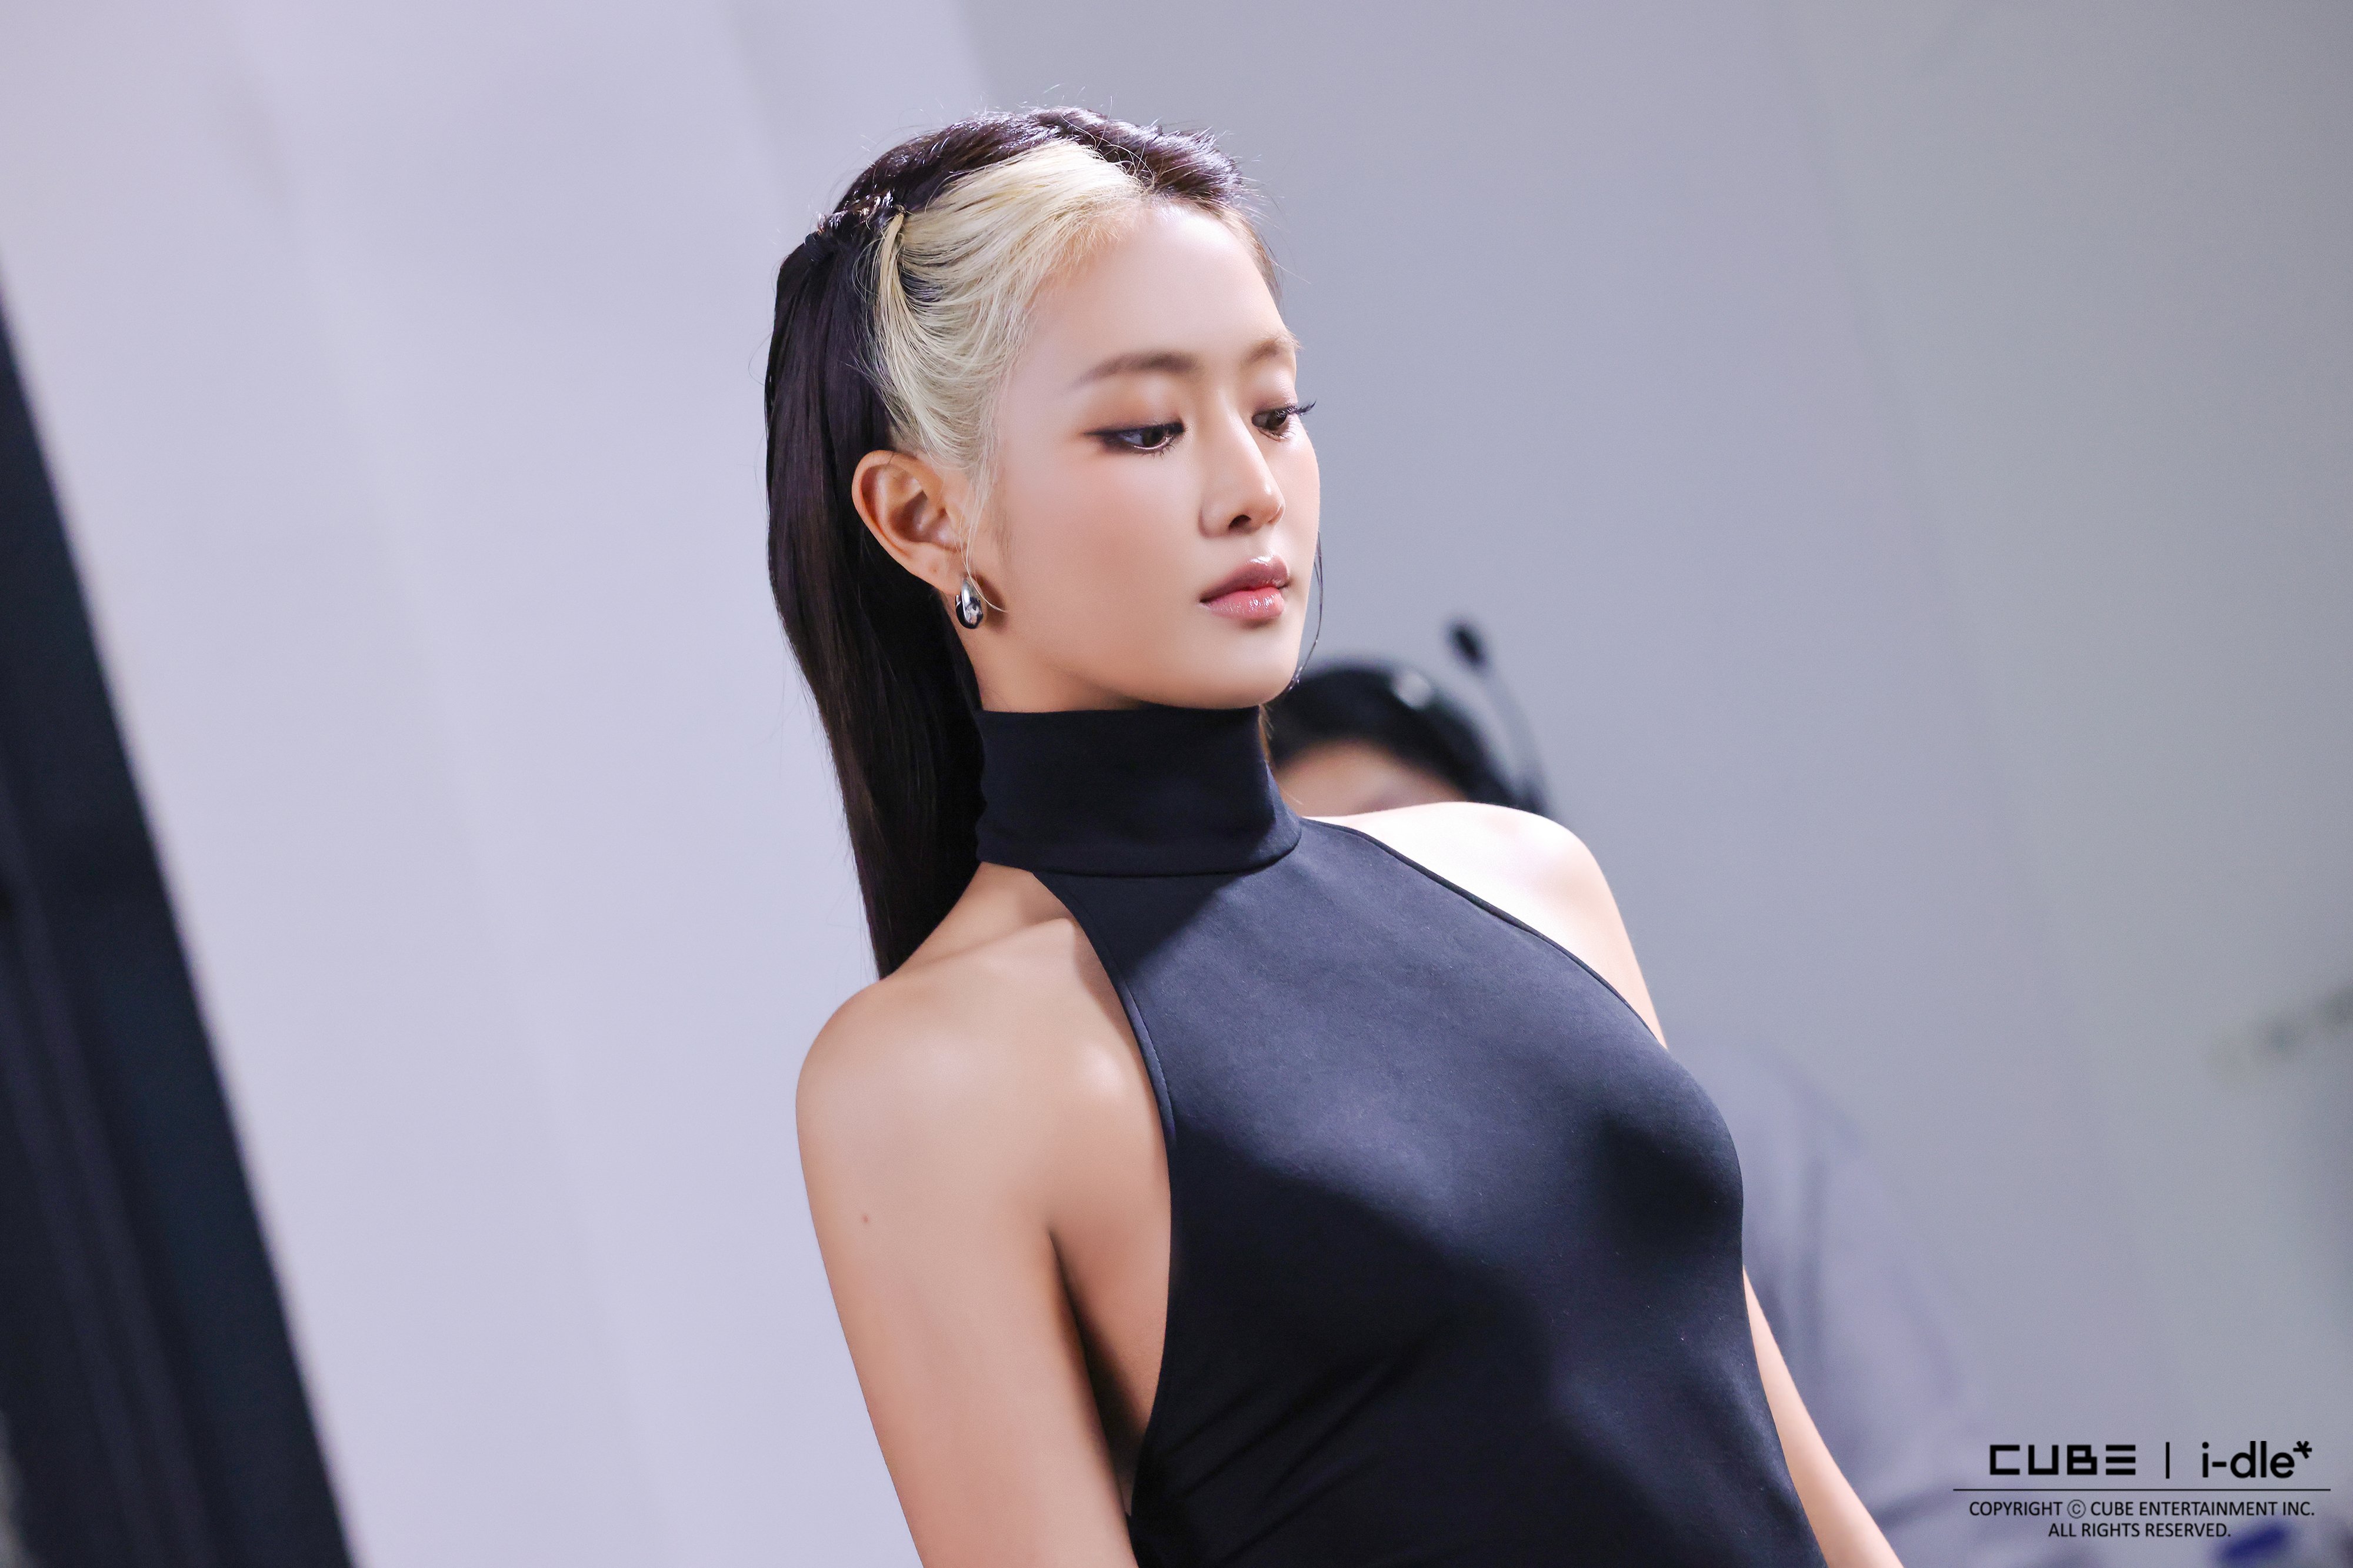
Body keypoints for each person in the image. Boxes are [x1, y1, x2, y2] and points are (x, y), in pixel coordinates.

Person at [765, 108, 1904, 1566]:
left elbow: (1790, 1477)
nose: (1251, 490)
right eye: (1144, 428)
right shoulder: (938, 1077)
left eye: (1274, 410)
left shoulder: (1532, 883)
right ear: (924, 517)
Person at [1270, 662, 2111, 1568]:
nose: (1376, 903)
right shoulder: (1270, 1234)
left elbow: (1937, 1507)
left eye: (1404, 839)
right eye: (1314, 882)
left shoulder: (1732, 1118)